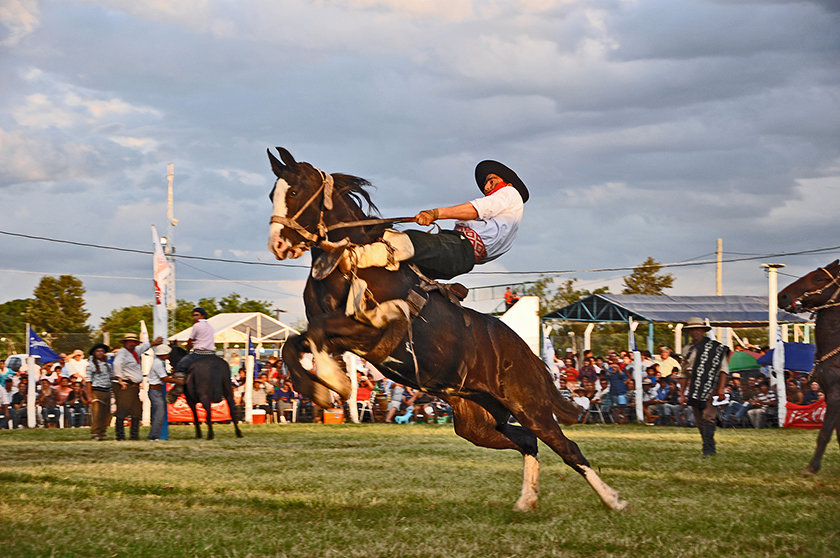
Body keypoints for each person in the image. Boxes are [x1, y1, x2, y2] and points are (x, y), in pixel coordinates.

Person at [343, 160, 528, 280]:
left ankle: (351, 257)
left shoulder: (509, 193)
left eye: (492, 180)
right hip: (463, 261)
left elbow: (475, 210)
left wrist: (434, 213)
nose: (487, 187)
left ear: (508, 183)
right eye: (486, 183)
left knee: (412, 240)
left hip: (460, 248)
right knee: (404, 271)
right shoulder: (510, 221)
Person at [679, 317, 730, 456]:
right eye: (692, 330)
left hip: (710, 386)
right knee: (699, 420)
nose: (695, 332)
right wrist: (682, 394)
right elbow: (683, 373)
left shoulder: (715, 348)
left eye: (697, 329)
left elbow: (723, 369)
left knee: (708, 416)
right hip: (694, 387)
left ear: (702, 330)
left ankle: (708, 448)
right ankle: (707, 443)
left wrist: (721, 388)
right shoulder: (686, 349)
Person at [113, 333, 163, 440]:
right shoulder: (122, 353)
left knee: (136, 410)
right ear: (125, 343)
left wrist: (155, 342)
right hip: (126, 384)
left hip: (134, 385)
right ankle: (120, 436)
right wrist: (120, 380)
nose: (132, 344)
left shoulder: (135, 351)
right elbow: (117, 365)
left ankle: (134, 435)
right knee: (123, 409)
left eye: (134, 342)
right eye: (130, 342)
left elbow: (145, 347)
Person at [171, 308, 216, 400]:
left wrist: (188, 347)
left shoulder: (197, 326)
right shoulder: (211, 327)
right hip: (211, 354)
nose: (194, 317)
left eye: (197, 315)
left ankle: (179, 388)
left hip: (199, 353)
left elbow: (191, 339)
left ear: (203, 316)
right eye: (194, 315)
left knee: (180, 365)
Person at [147, 344, 180, 440]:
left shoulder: (158, 362)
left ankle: (154, 435)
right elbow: (164, 378)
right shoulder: (158, 363)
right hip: (155, 390)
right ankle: (153, 436)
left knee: (158, 413)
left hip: (155, 390)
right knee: (159, 414)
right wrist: (178, 381)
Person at [86, 344, 113, 441]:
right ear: (94, 353)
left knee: (105, 414)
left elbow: (111, 378)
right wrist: (89, 395)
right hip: (97, 390)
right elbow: (88, 381)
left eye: (102, 351)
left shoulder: (108, 365)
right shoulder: (91, 366)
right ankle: (95, 433)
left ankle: (102, 432)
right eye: (98, 351)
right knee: (97, 414)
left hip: (107, 390)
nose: (100, 353)